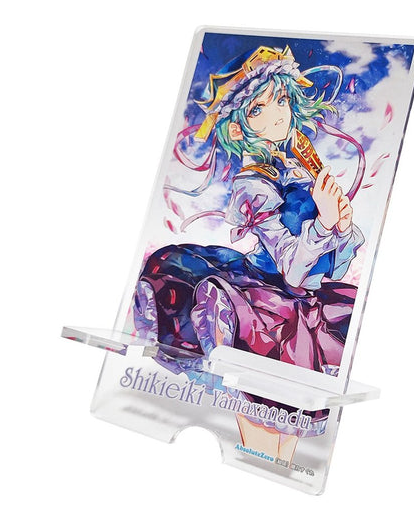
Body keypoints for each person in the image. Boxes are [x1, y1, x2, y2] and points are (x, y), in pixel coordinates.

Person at [133, 45, 365, 459]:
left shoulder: (299, 169)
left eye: (282, 99)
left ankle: (270, 469)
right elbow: (292, 270)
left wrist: (341, 228)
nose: (277, 114)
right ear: (239, 129)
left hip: (305, 302)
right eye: (259, 108)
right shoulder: (252, 186)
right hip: (264, 299)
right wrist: (324, 225)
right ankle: (256, 464)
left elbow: (332, 269)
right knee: (262, 407)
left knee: (287, 432)